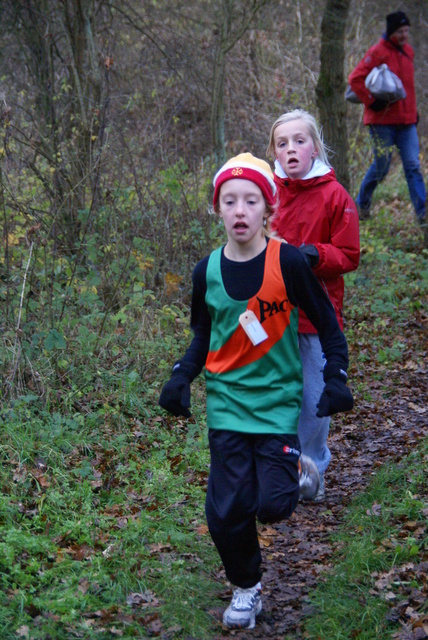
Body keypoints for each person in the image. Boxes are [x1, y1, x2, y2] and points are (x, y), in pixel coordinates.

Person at [159, 153, 354, 630]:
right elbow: (204, 334)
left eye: (251, 201)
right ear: (217, 209)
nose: (240, 210)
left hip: (275, 404)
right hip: (226, 404)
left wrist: (336, 378)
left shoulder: (286, 261)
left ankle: (300, 465)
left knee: (273, 505)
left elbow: (327, 325)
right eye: (230, 201)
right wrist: (182, 376)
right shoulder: (205, 270)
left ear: (268, 209)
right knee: (226, 510)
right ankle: (246, 588)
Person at [266, 109, 360, 502]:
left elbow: (349, 254)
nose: (291, 149)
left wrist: (311, 255)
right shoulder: (266, 191)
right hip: (270, 315)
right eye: (282, 143)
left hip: (316, 316)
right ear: (273, 151)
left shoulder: (334, 196)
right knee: (274, 394)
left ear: (315, 147)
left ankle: (312, 467)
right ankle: (276, 468)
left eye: (299, 141)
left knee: (314, 398)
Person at [348, 11, 427, 246]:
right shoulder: (377, 52)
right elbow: (355, 80)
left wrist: (413, 112)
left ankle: (423, 215)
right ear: (391, 31)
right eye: (400, 32)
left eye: (407, 31)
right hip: (381, 122)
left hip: (406, 123)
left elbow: (408, 88)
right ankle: (362, 203)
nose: (404, 36)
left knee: (413, 165)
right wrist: (372, 100)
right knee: (382, 167)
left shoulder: (409, 52)